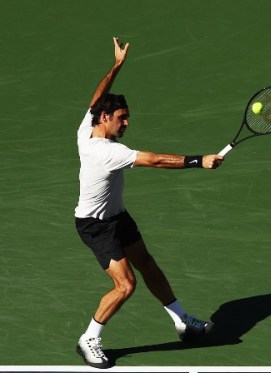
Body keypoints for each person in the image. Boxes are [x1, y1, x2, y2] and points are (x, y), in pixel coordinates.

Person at [74, 37, 223, 369]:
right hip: (96, 226)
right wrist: (199, 161)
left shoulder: (88, 126)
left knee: (148, 264)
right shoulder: (107, 152)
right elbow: (155, 160)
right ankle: (89, 338)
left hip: (117, 217)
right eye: (122, 118)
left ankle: (182, 320)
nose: (126, 123)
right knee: (126, 285)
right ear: (105, 119)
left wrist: (116, 66)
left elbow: (96, 97)